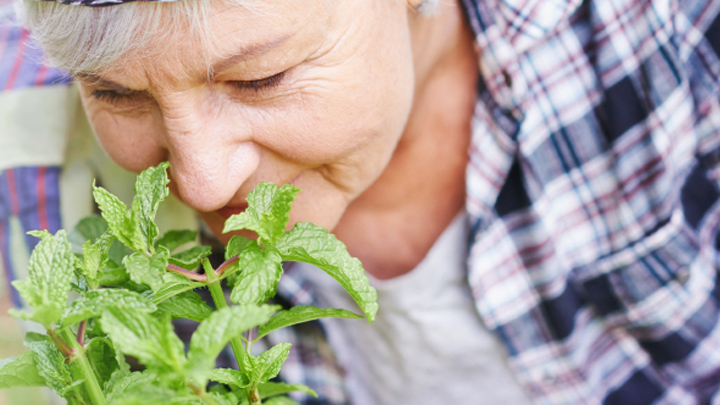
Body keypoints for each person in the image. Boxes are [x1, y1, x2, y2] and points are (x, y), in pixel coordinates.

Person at [11, 0, 720, 403]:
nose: (199, 183)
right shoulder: (32, 169)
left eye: (260, 79)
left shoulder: (668, 35)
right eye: (115, 94)